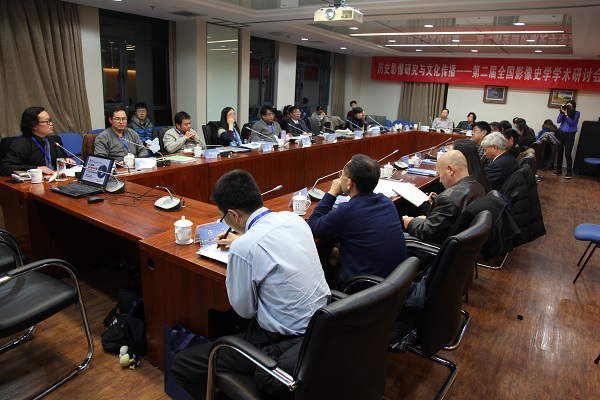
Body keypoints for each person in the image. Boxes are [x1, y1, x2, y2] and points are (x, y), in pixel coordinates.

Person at [170, 170, 330, 399]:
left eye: (222, 218)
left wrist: (241, 245)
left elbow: (245, 312)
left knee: (182, 365)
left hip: (285, 342)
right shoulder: (294, 219)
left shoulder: (243, 248)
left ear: (233, 215)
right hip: (323, 325)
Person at [307, 154, 407, 290]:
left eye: (341, 175)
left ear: (349, 183)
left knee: (320, 258)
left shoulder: (347, 211)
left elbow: (313, 224)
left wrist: (332, 193)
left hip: (362, 288)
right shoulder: (387, 202)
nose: (339, 180)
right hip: (393, 283)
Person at [402, 150, 485, 244]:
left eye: (440, 175)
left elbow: (427, 233)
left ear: (450, 170)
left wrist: (411, 222)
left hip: (439, 246)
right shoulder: (478, 187)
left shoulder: (448, 199)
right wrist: (436, 209)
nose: (440, 180)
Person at [0, 106, 75, 176]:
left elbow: (60, 159)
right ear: (34, 126)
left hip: (52, 179)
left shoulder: (50, 141)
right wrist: (36, 168)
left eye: (50, 120)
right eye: (47, 121)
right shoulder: (21, 143)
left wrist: (66, 161)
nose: (51, 124)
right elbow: (5, 167)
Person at [552, 100, 580, 179]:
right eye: (567, 105)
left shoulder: (577, 113)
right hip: (561, 133)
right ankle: (558, 170)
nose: (568, 107)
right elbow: (558, 121)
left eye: (569, 106)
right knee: (560, 152)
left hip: (570, 134)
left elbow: (572, 123)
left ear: (573, 106)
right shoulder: (563, 112)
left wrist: (566, 114)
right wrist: (562, 112)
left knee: (567, 153)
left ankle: (569, 172)